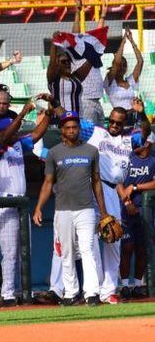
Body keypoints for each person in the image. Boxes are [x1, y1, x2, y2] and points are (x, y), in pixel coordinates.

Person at [47, 107, 152, 304]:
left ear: (125, 124)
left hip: (114, 191)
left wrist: (142, 114)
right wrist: (54, 105)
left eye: (118, 123)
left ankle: (108, 291)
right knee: (89, 244)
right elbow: (70, 118)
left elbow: (147, 131)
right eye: (111, 121)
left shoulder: (131, 139)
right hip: (93, 187)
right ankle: (90, 290)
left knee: (113, 240)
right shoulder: (96, 132)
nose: (113, 125)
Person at [32, 112, 106, 307]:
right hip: (62, 209)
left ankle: (91, 293)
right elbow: (48, 183)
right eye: (68, 127)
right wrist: (38, 207)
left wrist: (104, 211)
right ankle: (71, 292)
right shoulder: (54, 153)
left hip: (86, 209)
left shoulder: (91, 150)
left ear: (79, 129)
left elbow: (97, 182)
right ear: (62, 130)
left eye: (75, 127)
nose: (72, 130)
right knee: (66, 252)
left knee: (87, 250)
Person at [0, 96, 53, 306]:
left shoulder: (17, 145)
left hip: (21, 205)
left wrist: (49, 112)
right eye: (11, 130)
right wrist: (22, 114)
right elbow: (6, 137)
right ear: (2, 132)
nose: (15, 133)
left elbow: (36, 134)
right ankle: (7, 294)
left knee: (26, 251)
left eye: (15, 130)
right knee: (10, 253)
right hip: (5, 204)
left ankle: (26, 291)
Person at [118, 145, 155, 300]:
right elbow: (118, 181)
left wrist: (134, 187)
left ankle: (139, 285)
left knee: (142, 248)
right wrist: (127, 203)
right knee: (127, 247)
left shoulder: (153, 159)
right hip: (127, 209)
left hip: (146, 209)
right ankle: (125, 286)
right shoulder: (128, 158)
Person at [71, 0, 107, 125]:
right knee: (90, 136)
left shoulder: (94, 55)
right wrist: (78, 12)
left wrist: (102, 15)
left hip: (97, 100)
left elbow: (98, 35)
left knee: (101, 137)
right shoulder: (77, 56)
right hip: (85, 101)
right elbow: (74, 34)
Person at [104, 28, 143, 127]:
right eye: (120, 65)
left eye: (124, 65)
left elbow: (140, 62)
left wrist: (132, 41)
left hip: (134, 118)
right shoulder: (110, 81)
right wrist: (123, 42)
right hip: (118, 120)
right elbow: (116, 62)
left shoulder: (130, 81)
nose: (122, 67)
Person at [47, 31, 91, 116]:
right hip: (59, 121)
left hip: (77, 121)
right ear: (57, 64)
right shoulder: (53, 78)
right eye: (63, 62)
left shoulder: (75, 78)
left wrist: (97, 46)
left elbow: (90, 61)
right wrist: (54, 42)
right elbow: (52, 62)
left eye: (69, 61)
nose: (67, 63)